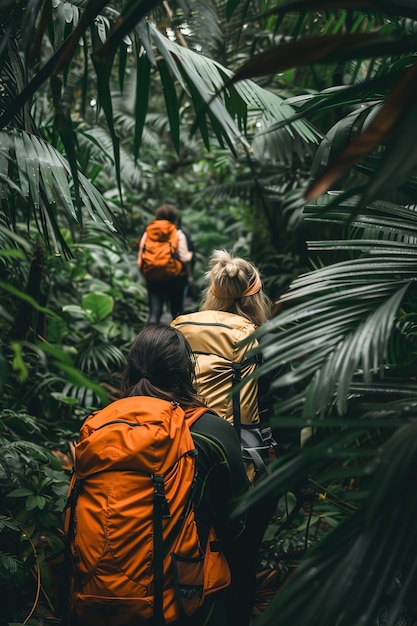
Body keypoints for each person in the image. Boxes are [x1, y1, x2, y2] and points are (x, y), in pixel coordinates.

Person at [66, 325, 255, 626]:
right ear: (185, 373)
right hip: (180, 606)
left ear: (130, 371)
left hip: (93, 603)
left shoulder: (99, 428)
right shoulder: (211, 432)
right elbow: (242, 520)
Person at [138, 204, 193, 325]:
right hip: (175, 277)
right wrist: (190, 257)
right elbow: (184, 258)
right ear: (175, 218)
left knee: (154, 313)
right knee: (177, 313)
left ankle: (149, 340)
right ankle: (177, 340)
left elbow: (141, 255)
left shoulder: (148, 233)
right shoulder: (178, 234)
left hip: (153, 276)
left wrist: (145, 274)